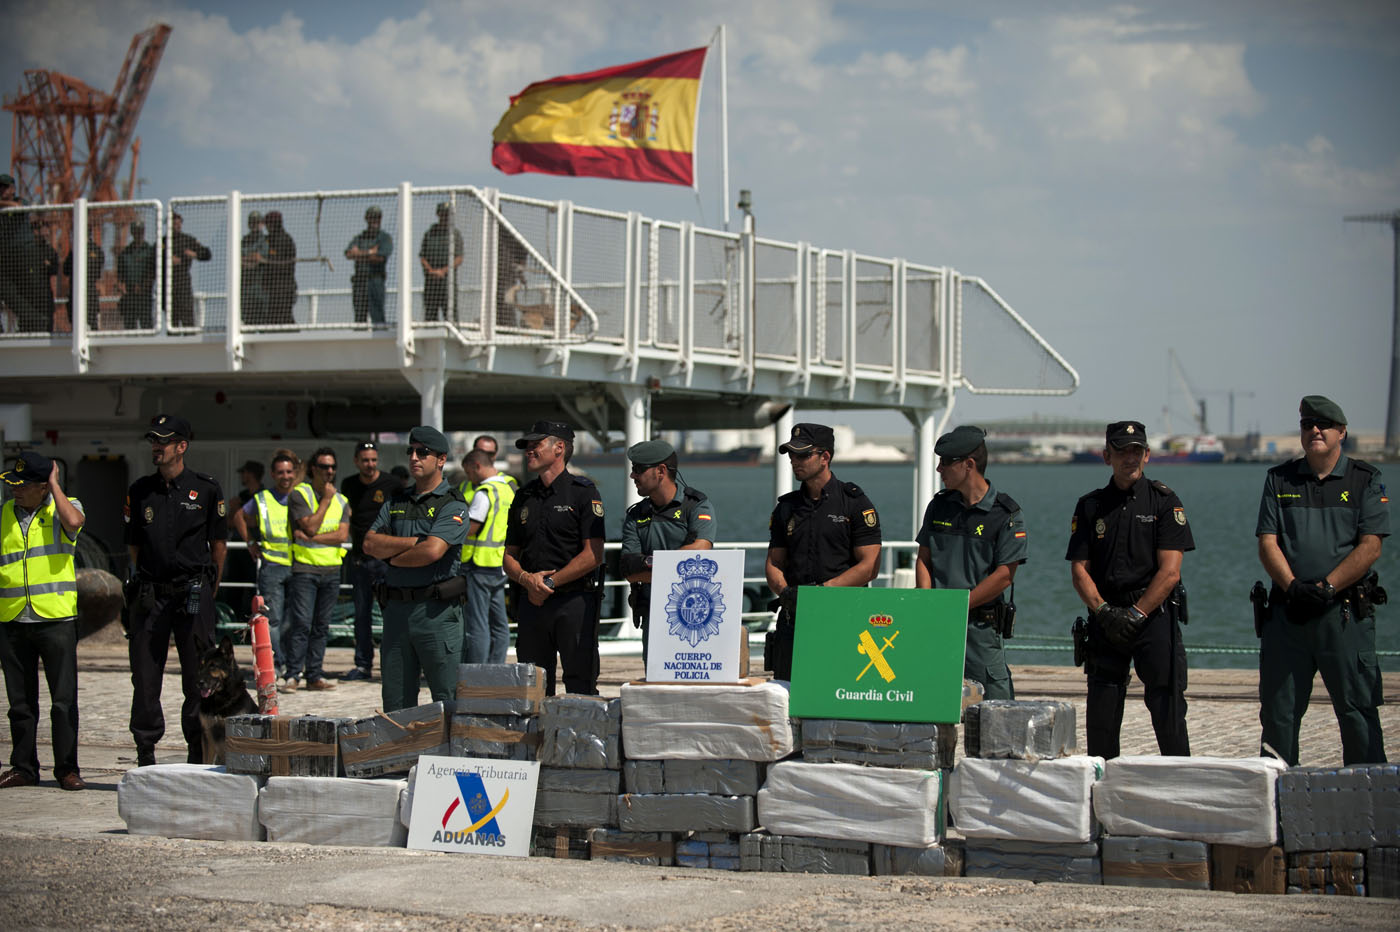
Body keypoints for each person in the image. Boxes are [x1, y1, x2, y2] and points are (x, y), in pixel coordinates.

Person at [1255, 395, 1389, 765]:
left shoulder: (1366, 480)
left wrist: (1328, 586)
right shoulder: (1278, 479)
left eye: (1323, 425)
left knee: (1358, 713)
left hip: (1343, 615)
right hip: (1288, 616)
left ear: (1341, 432)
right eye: (1307, 425)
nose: (1314, 430)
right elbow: (1267, 543)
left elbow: (1370, 547)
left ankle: (1368, 807)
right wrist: (1293, 587)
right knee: (1278, 716)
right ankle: (1277, 805)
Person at [1067, 420, 1193, 760]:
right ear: (1107, 456)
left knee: (1168, 709)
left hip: (1153, 616)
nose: (1130, 458)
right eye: (1122, 451)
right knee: (1102, 717)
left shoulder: (1164, 502)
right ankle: (1101, 795)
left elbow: (1170, 573)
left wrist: (1138, 613)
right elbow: (1079, 570)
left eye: (1136, 451)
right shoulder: (1091, 506)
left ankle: (1181, 785)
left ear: (1148, 455)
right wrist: (1104, 612)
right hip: (1105, 617)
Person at [124, 414, 227, 766]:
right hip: (152, 594)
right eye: (153, 439)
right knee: (145, 675)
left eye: (163, 441)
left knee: (198, 676)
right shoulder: (140, 491)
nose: (157, 446)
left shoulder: (207, 488)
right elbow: (134, 544)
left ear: (181, 446)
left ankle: (196, 753)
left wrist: (210, 589)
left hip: (193, 592)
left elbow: (218, 546)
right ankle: (145, 751)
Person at [915, 425, 1027, 700]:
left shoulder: (1005, 514)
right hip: (939, 626)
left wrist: (959, 605)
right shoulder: (939, 506)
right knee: (932, 703)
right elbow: (924, 560)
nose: (939, 469)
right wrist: (929, 604)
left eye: (945, 462)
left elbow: (1004, 575)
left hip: (980, 630)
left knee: (997, 713)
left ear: (969, 465)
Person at [763, 423, 882, 681]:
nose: (794, 461)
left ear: (825, 457)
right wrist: (786, 593)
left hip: (844, 617)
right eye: (792, 454)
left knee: (842, 689)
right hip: (794, 618)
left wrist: (822, 593)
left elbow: (870, 566)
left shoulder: (855, 503)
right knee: (787, 695)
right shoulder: (786, 508)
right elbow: (774, 562)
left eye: (803, 454)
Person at [364, 426, 468, 711]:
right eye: (410, 451)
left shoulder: (452, 504)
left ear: (441, 459)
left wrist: (394, 556)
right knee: (396, 704)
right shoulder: (396, 501)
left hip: (436, 614)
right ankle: (402, 756)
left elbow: (433, 551)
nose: (414, 457)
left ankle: (446, 756)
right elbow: (370, 544)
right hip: (396, 613)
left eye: (423, 452)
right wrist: (413, 542)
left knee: (447, 701)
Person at [0, 451, 86, 790]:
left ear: (41, 486)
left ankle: (67, 769)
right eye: (12, 485)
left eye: (22, 486)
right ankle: (23, 767)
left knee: (63, 701)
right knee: (20, 704)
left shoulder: (63, 507)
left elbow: (75, 523)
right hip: (12, 619)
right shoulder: (4, 513)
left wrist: (54, 484)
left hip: (55, 619)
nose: (15, 492)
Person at [503, 421, 606, 696]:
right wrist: (527, 580)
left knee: (581, 687)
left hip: (574, 604)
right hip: (532, 605)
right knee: (531, 690)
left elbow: (593, 554)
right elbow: (509, 556)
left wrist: (548, 582)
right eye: (527, 446)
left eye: (536, 445)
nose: (529, 451)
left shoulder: (583, 492)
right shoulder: (523, 496)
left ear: (559, 447)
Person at [619, 440, 716, 666]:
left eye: (639, 469)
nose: (633, 475)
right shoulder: (636, 515)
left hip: (694, 616)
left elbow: (700, 552)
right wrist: (672, 563)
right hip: (654, 617)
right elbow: (629, 570)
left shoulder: (696, 506)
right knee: (654, 684)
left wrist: (649, 562)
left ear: (661, 471)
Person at [228, 449, 299, 680]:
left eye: (289, 471)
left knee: (294, 620)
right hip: (272, 566)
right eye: (280, 472)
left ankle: (292, 664)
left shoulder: (301, 496)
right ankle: (277, 665)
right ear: (272, 474)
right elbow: (238, 515)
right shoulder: (262, 498)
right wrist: (249, 542)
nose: (285, 476)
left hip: (299, 565)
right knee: (274, 621)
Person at [283, 446, 348, 692]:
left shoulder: (342, 499)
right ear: (313, 469)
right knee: (301, 623)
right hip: (305, 568)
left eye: (332, 467)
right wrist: (326, 501)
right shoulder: (300, 494)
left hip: (331, 569)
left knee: (321, 626)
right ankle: (292, 674)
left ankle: (314, 674)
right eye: (324, 467)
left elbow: (341, 535)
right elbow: (309, 526)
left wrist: (314, 537)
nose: (329, 471)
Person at [339, 440, 398, 681]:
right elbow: (346, 517)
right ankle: (363, 665)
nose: (370, 464)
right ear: (356, 461)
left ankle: (391, 664)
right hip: (360, 561)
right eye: (365, 460)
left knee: (391, 615)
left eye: (373, 459)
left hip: (386, 563)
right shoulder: (349, 484)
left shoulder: (392, 484)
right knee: (361, 615)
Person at [459, 448, 517, 664]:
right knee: (499, 623)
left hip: (479, 565)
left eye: (469, 473)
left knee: (478, 624)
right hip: (499, 564)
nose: (469, 479)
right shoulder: (508, 491)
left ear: (477, 466)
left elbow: (471, 528)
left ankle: (476, 672)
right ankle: (496, 668)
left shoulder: (484, 493)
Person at [0, 173, 37, 331]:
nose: (2, 190)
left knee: (26, 290)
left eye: (5, 187)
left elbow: (20, 207)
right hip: (6, 257)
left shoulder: (19, 201)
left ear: (12, 189)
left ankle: (30, 324)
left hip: (22, 255)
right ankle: (30, 320)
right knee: (7, 291)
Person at [164, 211, 212, 329]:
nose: (178, 226)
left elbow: (207, 254)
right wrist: (166, 260)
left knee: (188, 322)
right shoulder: (162, 243)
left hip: (183, 285)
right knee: (172, 324)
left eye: (179, 224)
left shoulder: (187, 240)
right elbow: (152, 262)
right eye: (175, 224)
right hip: (168, 287)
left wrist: (194, 254)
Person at [346, 205, 392, 326]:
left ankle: (380, 341)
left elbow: (380, 257)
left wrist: (360, 254)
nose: (375, 221)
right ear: (367, 219)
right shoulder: (360, 238)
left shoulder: (384, 238)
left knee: (377, 316)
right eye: (372, 218)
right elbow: (349, 253)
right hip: (359, 282)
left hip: (375, 281)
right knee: (359, 318)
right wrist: (370, 252)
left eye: (377, 218)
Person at [420, 202, 464, 322]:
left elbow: (459, 258)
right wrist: (431, 271)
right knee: (430, 315)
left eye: (448, 215)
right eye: (443, 214)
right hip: (431, 282)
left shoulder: (455, 234)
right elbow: (422, 256)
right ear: (438, 215)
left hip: (448, 282)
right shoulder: (429, 234)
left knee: (450, 315)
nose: (445, 217)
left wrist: (443, 271)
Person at [116, 220, 156, 330]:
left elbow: (153, 271)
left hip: (144, 296)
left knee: (146, 325)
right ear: (133, 233)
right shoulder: (125, 253)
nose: (139, 234)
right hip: (129, 296)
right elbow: (120, 274)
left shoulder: (150, 251)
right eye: (136, 232)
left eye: (141, 232)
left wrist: (144, 286)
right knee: (129, 326)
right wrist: (121, 287)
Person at [63, 226, 104, 330]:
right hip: (78, 293)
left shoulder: (94, 251)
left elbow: (96, 272)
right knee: (78, 323)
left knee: (91, 323)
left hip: (87, 293)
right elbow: (66, 270)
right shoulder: (74, 251)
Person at [262, 210, 297, 326]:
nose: (266, 227)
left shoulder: (285, 240)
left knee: (283, 317)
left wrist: (264, 260)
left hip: (283, 288)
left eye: (267, 223)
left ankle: (294, 339)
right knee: (273, 319)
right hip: (273, 288)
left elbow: (285, 264)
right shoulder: (267, 240)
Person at [240, 210, 268, 324]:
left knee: (264, 321)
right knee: (247, 321)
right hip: (246, 288)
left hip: (262, 287)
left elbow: (259, 258)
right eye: (252, 222)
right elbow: (238, 260)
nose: (254, 225)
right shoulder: (244, 241)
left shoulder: (266, 240)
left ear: (262, 224)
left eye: (257, 222)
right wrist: (253, 259)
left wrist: (251, 259)